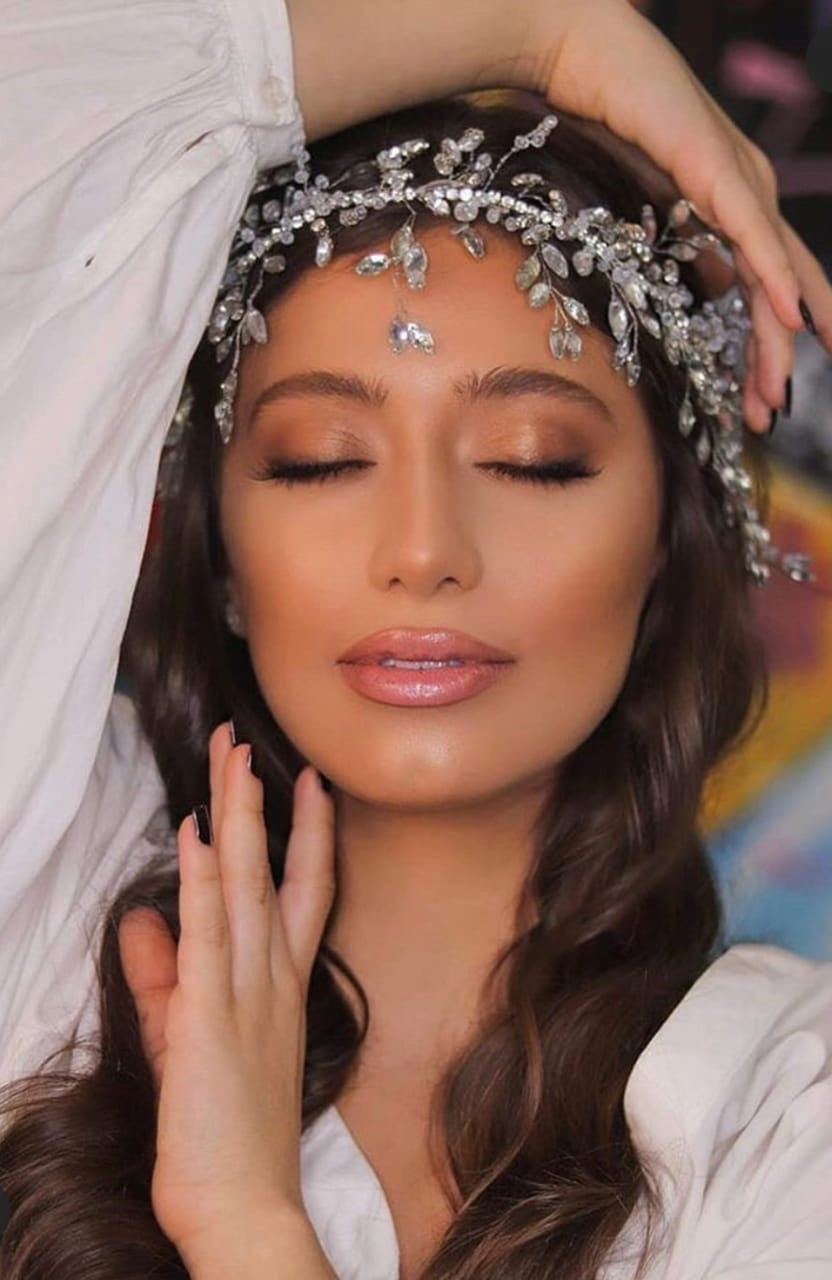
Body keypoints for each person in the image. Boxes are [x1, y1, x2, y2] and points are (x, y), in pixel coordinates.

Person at [0, 3, 831, 1279]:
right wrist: (538, 32)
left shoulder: (776, 1120)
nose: (423, 548)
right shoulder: (46, 919)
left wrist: (248, 1220)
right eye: (319, 460)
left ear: (664, 544)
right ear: (220, 555)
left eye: (531, 460)